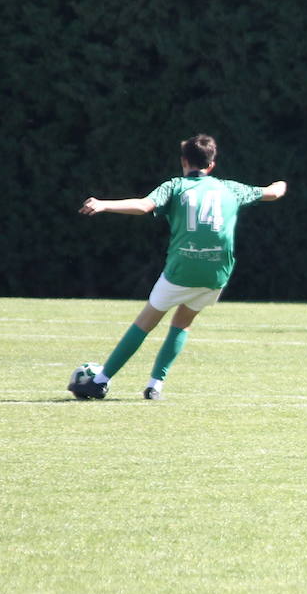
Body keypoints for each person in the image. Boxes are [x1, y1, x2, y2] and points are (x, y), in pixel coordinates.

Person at [69, 134, 287, 400]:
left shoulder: (175, 186)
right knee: (183, 323)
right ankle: (155, 385)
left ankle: (100, 380)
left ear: (183, 161)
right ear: (212, 164)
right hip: (216, 273)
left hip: (181, 270)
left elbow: (143, 205)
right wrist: (281, 183)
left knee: (145, 323)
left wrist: (104, 204)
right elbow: (274, 192)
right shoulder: (230, 188)